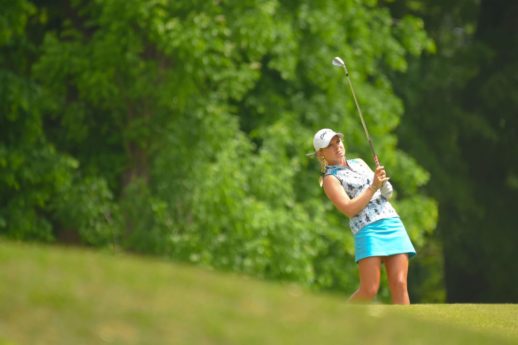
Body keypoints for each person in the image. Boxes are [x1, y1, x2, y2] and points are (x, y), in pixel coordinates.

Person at [312, 128, 416, 304]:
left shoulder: (359, 162)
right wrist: (374, 186)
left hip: (391, 221)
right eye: (330, 146)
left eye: (338, 142)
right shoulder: (330, 179)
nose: (337, 147)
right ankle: (337, 321)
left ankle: (405, 330)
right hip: (368, 229)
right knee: (369, 290)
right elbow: (349, 209)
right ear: (320, 154)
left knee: (399, 283)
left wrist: (384, 187)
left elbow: (380, 192)